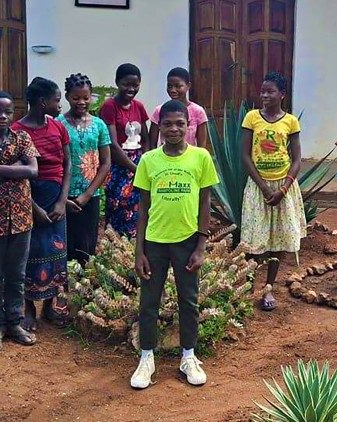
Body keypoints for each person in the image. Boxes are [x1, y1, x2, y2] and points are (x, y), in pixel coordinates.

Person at [131, 100, 218, 388]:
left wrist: (201, 245)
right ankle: (146, 357)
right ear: (160, 126)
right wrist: (139, 250)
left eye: (179, 123)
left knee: (188, 301)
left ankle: (188, 356)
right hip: (155, 242)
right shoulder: (149, 160)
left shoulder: (201, 158)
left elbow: (205, 201)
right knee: (148, 302)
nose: (173, 128)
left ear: (189, 125)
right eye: (167, 123)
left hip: (187, 241)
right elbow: (143, 208)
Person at [0, 91, 39, 352]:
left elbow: (33, 170)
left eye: (8, 112)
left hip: (22, 218)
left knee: (17, 274)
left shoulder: (21, 137)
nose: (3, 116)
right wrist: (14, 169)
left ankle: (15, 322)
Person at [240, 71, 306, 311]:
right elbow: (245, 155)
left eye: (270, 91)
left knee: (277, 241)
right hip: (259, 187)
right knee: (253, 239)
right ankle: (247, 287)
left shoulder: (290, 121)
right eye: (263, 91)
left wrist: (283, 188)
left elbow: (297, 158)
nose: (264, 95)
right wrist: (264, 186)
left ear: (282, 94)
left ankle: (268, 288)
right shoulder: (251, 118)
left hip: (284, 188)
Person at [12, 77, 71, 332]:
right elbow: (17, 174)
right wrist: (33, 208)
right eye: (57, 100)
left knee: (56, 252)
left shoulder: (58, 128)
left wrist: (61, 202)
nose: (60, 105)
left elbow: (68, 164)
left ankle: (49, 307)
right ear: (42, 102)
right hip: (29, 197)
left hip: (56, 198)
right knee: (31, 253)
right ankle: (28, 310)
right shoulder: (17, 130)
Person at [56, 73, 111, 263]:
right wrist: (63, 197)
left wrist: (87, 194)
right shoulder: (58, 124)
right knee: (65, 243)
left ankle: (84, 288)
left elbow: (105, 163)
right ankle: (64, 287)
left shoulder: (99, 125)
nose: (81, 102)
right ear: (67, 96)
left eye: (86, 98)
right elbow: (56, 162)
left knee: (87, 246)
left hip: (90, 196)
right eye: (76, 98)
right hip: (63, 195)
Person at [100, 63, 150, 238]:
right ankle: (115, 251)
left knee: (140, 207)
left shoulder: (139, 107)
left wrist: (145, 161)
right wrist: (134, 168)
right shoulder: (109, 106)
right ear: (117, 82)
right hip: (119, 165)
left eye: (135, 85)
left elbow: (146, 138)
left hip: (139, 162)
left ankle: (135, 250)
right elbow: (112, 144)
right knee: (118, 207)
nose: (131, 89)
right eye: (126, 84)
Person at [149, 67, 209, 149]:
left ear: (188, 86)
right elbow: (152, 143)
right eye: (169, 86)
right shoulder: (159, 110)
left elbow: (202, 146)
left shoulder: (198, 111)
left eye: (178, 86)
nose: (173, 90)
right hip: (164, 158)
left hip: (189, 160)